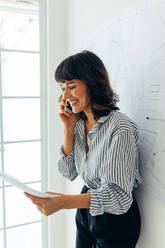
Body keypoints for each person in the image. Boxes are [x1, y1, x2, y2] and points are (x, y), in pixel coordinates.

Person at [24, 50, 141, 248]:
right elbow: (67, 172)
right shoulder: (78, 124)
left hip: (116, 221)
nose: (65, 95)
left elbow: (119, 197)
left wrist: (63, 202)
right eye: (62, 88)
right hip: (87, 212)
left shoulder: (121, 128)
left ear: (92, 84)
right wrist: (68, 129)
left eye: (71, 86)